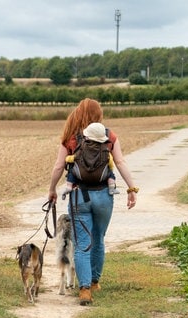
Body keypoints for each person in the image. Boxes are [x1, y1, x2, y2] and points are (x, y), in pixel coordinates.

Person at [47, 98, 139, 306]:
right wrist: (131, 188)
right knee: (99, 238)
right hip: (104, 196)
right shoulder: (109, 137)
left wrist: (52, 190)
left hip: (79, 196)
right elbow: (121, 162)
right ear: (98, 116)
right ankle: (95, 281)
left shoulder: (71, 138)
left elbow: (58, 166)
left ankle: (85, 289)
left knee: (81, 244)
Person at [61, 121, 117, 199]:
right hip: (101, 177)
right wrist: (110, 169)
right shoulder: (105, 150)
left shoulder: (82, 148)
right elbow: (110, 163)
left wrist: (67, 159)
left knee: (72, 171)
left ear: (87, 136)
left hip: (81, 176)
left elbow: (72, 158)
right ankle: (111, 187)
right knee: (110, 173)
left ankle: (69, 186)